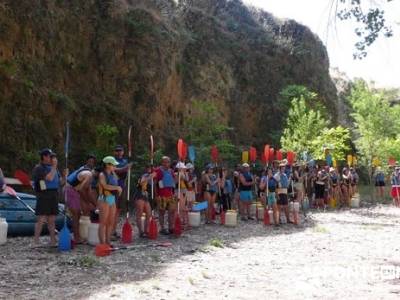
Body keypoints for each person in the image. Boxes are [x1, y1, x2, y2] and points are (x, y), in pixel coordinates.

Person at [32, 149, 63, 247]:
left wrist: (65, 177)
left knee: (52, 219)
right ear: (44, 157)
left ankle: (53, 240)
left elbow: (60, 182)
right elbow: (48, 178)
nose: (53, 159)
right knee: (41, 218)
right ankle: (35, 241)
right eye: (51, 156)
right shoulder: (39, 168)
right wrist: (54, 166)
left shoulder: (54, 169)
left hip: (54, 194)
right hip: (44, 194)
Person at [65, 164, 93, 243]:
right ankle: (76, 238)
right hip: (70, 190)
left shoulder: (83, 172)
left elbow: (87, 191)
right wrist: (87, 201)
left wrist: (90, 202)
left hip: (71, 190)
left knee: (77, 214)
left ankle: (78, 236)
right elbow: (80, 189)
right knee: (76, 215)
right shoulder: (89, 175)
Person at [98, 156, 122, 245]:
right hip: (104, 198)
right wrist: (117, 188)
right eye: (113, 165)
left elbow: (116, 181)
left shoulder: (113, 173)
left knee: (110, 221)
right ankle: (102, 243)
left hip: (111, 198)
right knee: (103, 222)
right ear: (107, 165)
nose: (115, 167)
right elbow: (104, 186)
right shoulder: (102, 174)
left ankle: (108, 241)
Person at [153, 156, 176, 234]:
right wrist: (156, 196)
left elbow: (173, 183)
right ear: (162, 162)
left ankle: (171, 227)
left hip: (170, 194)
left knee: (171, 211)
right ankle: (162, 228)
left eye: (168, 162)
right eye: (164, 162)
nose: (166, 163)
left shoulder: (171, 171)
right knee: (162, 212)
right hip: (161, 195)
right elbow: (155, 184)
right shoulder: (158, 171)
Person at [113, 145, 131, 239]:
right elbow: (116, 171)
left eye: (120, 151)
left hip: (122, 186)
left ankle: (114, 230)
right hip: (114, 186)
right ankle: (111, 231)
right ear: (114, 152)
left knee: (118, 209)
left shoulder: (125, 161)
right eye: (117, 151)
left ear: (123, 152)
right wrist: (126, 168)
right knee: (113, 209)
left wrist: (128, 168)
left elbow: (126, 172)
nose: (119, 152)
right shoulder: (112, 161)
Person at [135, 166, 153, 237]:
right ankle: (140, 231)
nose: (150, 169)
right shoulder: (144, 175)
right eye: (148, 168)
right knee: (139, 213)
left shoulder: (150, 176)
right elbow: (142, 182)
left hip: (145, 196)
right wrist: (150, 177)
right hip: (139, 195)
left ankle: (146, 230)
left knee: (149, 213)